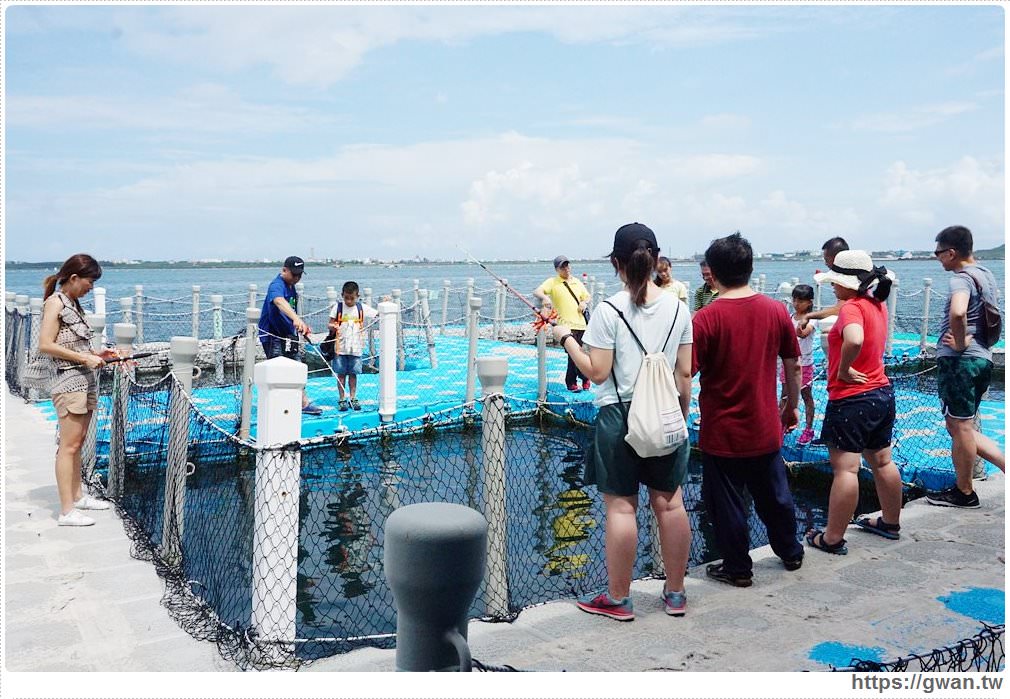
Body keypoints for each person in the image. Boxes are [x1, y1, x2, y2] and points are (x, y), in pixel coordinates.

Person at [553, 222, 692, 620]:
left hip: (618, 414)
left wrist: (566, 338)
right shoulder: (679, 307)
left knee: (622, 509)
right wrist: (679, 417)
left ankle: (618, 599)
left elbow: (596, 372)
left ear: (616, 262)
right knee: (670, 504)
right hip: (665, 412)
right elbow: (685, 374)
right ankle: (676, 593)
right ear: (654, 259)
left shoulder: (608, 311)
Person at [692, 233, 805, 586]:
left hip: (722, 428)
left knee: (727, 503)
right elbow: (794, 363)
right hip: (764, 422)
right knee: (775, 494)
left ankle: (738, 567)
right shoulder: (775, 310)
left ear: (712, 272)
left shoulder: (706, 319)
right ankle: (790, 551)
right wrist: (792, 404)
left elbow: (686, 371)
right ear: (750, 267)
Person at [806, 251, 902, 553]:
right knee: (883, 461)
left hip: (851, 399)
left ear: (849, 283)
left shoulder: (852, 310)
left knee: (846, 470)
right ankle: (890, 521)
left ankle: (832, 537)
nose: (833, 287)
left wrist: (844, 369)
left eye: (836, 281)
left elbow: (855, 338)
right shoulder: (876, 305)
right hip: (881, 393)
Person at [926, 225, 1005, 508]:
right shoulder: (986, 275)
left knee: (959, 428)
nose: (937, 258)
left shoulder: (960, 279)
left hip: (961, 361)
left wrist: (958, 343)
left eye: (938, 253)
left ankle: (964, 492)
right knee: (963, 426)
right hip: (981, 358)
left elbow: (958, 312)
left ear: (951, 252)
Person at [38, 254, 119, 526]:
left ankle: (77, 496)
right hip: (68, 382)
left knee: (78, 442)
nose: (91, 288)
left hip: (83, 381)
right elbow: (45, 344)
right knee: (68, 446)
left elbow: (72, 345)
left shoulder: (73, 304)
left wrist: (97, 354)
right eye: (89, 281)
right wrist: (85, 358)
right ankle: (66, 511)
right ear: (73, 278)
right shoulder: (55, 303)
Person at [258, 256, 322, 415]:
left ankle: (302, 403)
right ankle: (277, 405)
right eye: (294, 274)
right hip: (273, 336)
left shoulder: (291, 286)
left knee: (297, 366)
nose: (296, 278)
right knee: (278, 370)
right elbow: (279, 302)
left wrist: (301, 325)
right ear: (284, 270)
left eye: (299, 275)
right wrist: (296, 319)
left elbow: (290, 310)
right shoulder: (276, 285)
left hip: (288, 334)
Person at [534, 256, 592, 392]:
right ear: (557, 269)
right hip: (565, 325)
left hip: (581, 324)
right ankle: (578, 379)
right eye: (562, 267)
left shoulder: (577, 282)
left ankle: (581, 378)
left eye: (567, 265)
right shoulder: (552, 282)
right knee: (573, 354)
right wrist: (545, 297)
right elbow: (537, 291)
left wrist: (584, 302)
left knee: (581, 352)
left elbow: (587, 296)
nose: (566, 269)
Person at [328, 281, 378, 412]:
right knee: (341, 374)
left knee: (353, 374)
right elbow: (330, 323)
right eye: (346, 298)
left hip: (356, 348)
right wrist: (333, 327)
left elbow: (378, 314)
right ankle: (342, 398)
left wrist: (386, 303)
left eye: (352, 298)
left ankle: (353, 397)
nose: (349, 301)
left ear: (358, 296)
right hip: (340, 348)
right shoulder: (337, 308)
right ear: (342, 295)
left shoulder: (361, 308)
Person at [781, 284, 818, 446]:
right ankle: (780, 425)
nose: (796, 303)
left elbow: (802, 334)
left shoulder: (812, 319)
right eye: (794, 299)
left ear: (809, 302)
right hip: (787, 362)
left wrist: (801, 322)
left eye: (800, 301)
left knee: (806, 396)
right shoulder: (789, 317)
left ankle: (808, 428)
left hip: (805, 365)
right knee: (784, 395)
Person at [799, 237, 849, 327]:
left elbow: (840, 309)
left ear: (836, 258)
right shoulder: (854, 274)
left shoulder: (847, 279)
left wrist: (808, 316)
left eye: (826, 259)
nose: (825, 263)